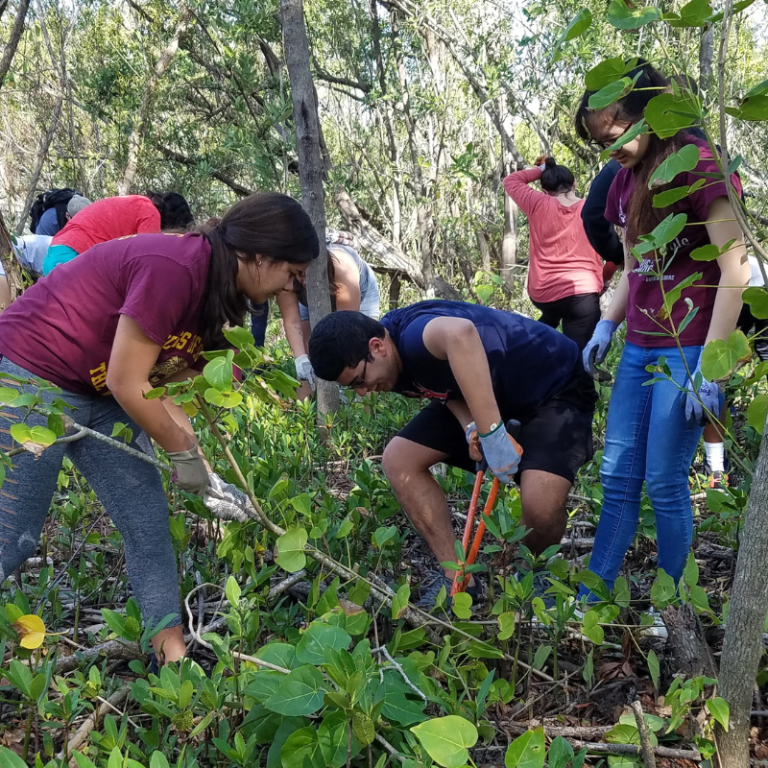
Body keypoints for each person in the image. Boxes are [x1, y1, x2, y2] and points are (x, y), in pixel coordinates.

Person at [0, 193, 319, 663]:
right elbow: (128, 380)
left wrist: (204, 472)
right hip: (32, 370)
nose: (290, 286)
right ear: (259, 255)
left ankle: (173, 662)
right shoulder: (175, 267)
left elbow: (163, 386)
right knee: (15, 534)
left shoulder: (218, 298)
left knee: (147, 522)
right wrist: (182, 453)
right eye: (291, 273)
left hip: (100, 389)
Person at [576, 59, 749, 599]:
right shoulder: (624, 182)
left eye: (615, 135)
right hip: (640, 347)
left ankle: (670, 603)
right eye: (601, 144)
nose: (611, 150)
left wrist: (711, 367)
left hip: (691, 345)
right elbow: (635, 267)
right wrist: (606, 325)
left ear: (649, 112)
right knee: (617, 477)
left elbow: (736, 268)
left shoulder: (699, 166)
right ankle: (591, 598)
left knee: (665, 481)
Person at [308, 301, 596, 609]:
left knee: (540, 507)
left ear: (377, 347)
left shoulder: (414, 337)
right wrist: (471, 427)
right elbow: (443, 386)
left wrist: (491, 432)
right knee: (399, 460)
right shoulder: (388, 366)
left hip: (554, 390)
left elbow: (459, 334)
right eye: (353, 388)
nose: (363, 392)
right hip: (491, 393)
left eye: (359, 381)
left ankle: (531, 574)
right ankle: (458, 579)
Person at [503, 157, 604, 351]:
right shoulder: (591, 208)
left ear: (545, 191)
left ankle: (530, 347)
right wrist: (602, 281)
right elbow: (614, 252)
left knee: (552, 315)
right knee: (576, 354)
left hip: (545, 293)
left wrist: (542, 168)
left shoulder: (537, 203)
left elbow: (511, 180)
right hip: (583, 293)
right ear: (575, 183)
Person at [279, 231, 380, 398]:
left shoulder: (343, 267)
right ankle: (304, 411)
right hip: (307, 298)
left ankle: (364, 410)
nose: (306, 281)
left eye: (308, 274)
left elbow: (345, 327)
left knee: (360, 353)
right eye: (300, 273)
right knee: (309, 353)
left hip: (360, 294)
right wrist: (301, 359)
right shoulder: (287, 276)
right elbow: (292, 321)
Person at [43, 192, 193, 274]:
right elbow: (147, 261)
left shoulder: (136, 202)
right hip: (73, 254)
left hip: (56, 251)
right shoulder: (150, 213)